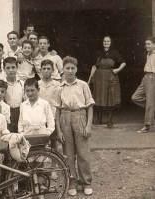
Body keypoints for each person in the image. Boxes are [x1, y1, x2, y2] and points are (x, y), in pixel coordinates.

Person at [54, 56, 94, 196]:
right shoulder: (59, 87)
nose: (70, 71)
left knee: (83, 153)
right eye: (67, 68)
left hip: (80, 116)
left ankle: (86, 182)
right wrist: (59, 130)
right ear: (63, 70)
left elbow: (89, 106)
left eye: (72, 68)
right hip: (65, 118)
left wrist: (88, 126)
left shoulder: (83, 85)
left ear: (76, 69)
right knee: (68, 154)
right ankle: (73, 182)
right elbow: (57, 110)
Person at [88, 35, 126, 127]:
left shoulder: (115, 53)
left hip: (110, 77)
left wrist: (117, 70)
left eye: (108, 41)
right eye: (104, 41)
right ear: (102, 42)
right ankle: (99, 120)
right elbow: (94, 66)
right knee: (98, 97)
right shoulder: (98, 53)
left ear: (111, 42)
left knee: (110, 98)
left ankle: (110, 121)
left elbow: (123, 63)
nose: (106, 43)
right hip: (99, 78)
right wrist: (89, 79)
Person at [131, 36, 155, 133]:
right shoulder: (148, 54)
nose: (146, 46)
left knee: (150, 102)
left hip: (152, 77)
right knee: (135, 97)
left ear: (154, 44)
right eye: (146, 44)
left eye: (149, 44)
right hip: (146, 77)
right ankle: (152, 109)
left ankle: (147, 126)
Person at [38, 59, 61, 149]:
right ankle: (42, 162)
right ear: (41, 70)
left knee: (54, 140)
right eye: (44, 68)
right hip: (40, 117)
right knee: (41, 141)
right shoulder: (37, 84)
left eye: (48, 68)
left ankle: (54, 163)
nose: (46, 71)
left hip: (53, 115)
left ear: (53, 70)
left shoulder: (57, 85)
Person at [3, 57, 24, 132]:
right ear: (4, 69)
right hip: (7, 113)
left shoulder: (22, 83)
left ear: (17, 68)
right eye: (8, 68)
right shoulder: (2, 84)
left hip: (20, 113)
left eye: (13, 67)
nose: (11, 70)